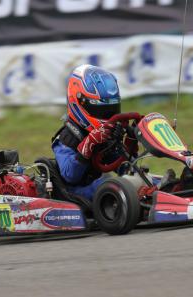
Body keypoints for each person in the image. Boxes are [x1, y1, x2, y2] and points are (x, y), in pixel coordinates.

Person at [52, 64, 138, 201]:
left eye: (112, 110)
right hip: (75, 194)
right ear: (79, 103)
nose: (108, 117)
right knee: (110, 184)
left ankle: (170, 188)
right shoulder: (66, 138)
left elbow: (121, 165)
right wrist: (88, 146)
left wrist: (131, 142)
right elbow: (70, 175)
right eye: (101, 111)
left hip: (100, 190)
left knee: (137, 178)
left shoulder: (104, 134)